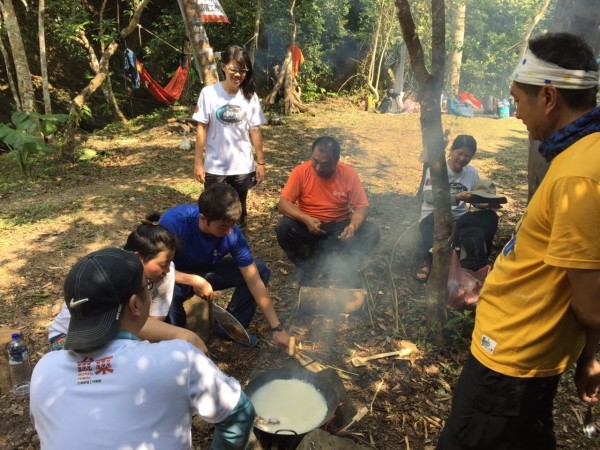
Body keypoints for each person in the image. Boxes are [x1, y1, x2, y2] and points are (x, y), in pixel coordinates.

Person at [437, 32, 600, 449]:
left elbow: (590, 301)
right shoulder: (579, 153)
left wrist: (591, 354)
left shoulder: (580, 173)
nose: (516, 113)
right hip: (522, 351)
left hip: (513, 358)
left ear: (548, 97)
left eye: (519, 100)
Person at [30, 248, 254, 450]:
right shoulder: (178, 359)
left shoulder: (44, 371)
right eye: (147, 287)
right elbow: (240, 414)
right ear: (135, 304)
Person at [48, 213, 207, 353]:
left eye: (169, 262)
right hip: (70, 337)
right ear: (138, 258)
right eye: (162, 264)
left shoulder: (166, 274)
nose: (167, 270)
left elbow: (144, 323)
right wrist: (184, 336)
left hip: (116, 336)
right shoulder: (109, 273)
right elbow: (138, 326)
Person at [159, 183, 291, 349]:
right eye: (222, 226)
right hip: (174, 275)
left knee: (260, 269)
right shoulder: (175, 222)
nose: (229, 231)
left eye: (232, 225)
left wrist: (276, 327)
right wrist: (193, 280)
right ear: (202, 219)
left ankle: (229, 328)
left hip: (207, 271)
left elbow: (253, 279)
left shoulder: (232, 234)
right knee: (169, 297)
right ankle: (179, 346)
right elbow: (156, 266)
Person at [276, 136, 380, 279]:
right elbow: (283, 203)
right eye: (315, 161)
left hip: (338, 228)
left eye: (325, 164)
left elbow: (361, 207)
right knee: (284, 227)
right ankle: (307, 267)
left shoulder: (348, 174)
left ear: (336, 160)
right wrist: (306, 219)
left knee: (371, 231)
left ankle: (344, 267)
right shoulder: (300, 171)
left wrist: (352, 227)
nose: (319, 168)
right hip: (307, 226)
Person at [192, 44, 266, 227]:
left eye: (243, 70)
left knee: (239, 210)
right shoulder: (209, 94)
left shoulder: (249, 96)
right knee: (212, 210)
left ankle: (237, 242)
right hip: (215, 166)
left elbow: (255, 130)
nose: (238, 74)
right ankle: (212, 243)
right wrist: (198, 162)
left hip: (242, 165)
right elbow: (201, 128)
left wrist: (261, 162)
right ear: (223, 67)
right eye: (234, 69)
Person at [416, 135, 499, 282]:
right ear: (452, 151)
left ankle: (480, 260)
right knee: (432, 221)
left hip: (461, 219)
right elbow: (428, 198)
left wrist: (485, 204)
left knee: (490, 217)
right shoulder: (437, 169)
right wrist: (456, 198)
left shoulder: (472, 172)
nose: (462, 159)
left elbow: (474, 199)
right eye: (459, 154)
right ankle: (427, 261)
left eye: (467, 156)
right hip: (434, 215)